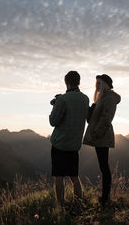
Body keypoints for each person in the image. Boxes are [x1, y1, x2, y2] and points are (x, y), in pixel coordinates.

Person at [49, 71, 89, 207]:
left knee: (59, 177)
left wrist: (56, 104)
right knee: (74, 177)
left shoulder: (62, 100)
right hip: (74, 145)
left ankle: (60, 206)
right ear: (79, 81)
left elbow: (53, 121)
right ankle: (78, 205)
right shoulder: (85, 99)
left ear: (66, 82)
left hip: (60, 144)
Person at [83, 74, 121, 207]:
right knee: (103, 166)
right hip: (99, 135)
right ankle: (105, 197)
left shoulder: (109, 98)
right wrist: (90, 110)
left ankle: (105, 198)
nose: (97, 85)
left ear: (105, 84)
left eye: (99, 83)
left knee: (104, 167)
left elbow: (106, 118)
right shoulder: (101, 98)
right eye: (96, 83)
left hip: (102, 136)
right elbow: (93, 119)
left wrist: (96, 133)